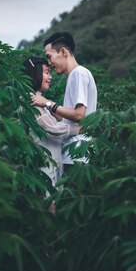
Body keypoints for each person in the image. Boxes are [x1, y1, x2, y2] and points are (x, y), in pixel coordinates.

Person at [30, 31, 97, 173]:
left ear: (63, 52)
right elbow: (69, 118)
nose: (49, 63)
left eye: (49, 57)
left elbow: (79, 115)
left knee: (73, 194)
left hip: (76, 151)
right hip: (75, 151)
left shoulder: (79, 73)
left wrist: (47, 104)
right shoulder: (75, 75)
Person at [23, 56, 81, 191]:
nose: (50, 77)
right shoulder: (30, 99)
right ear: (35, 73)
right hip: (44, 167)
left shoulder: (39, 100)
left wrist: (46, 103)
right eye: (46, 72)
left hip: (53, 164)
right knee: (49, 206)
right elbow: (53, 128)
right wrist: (81, 128)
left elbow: (61, 119)